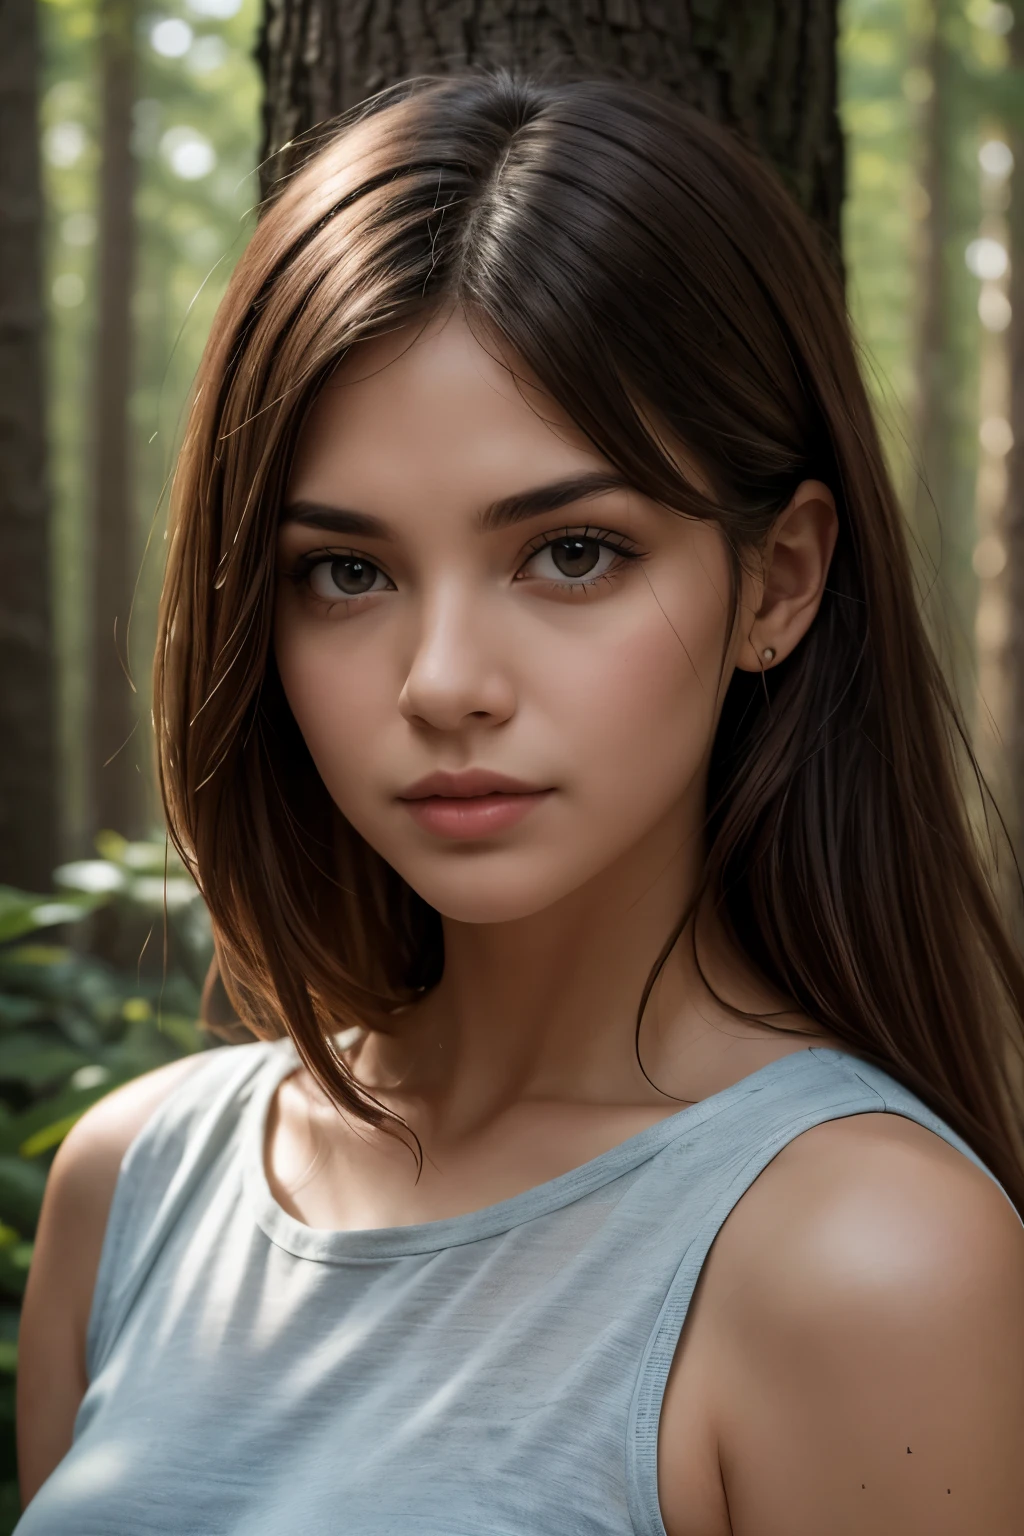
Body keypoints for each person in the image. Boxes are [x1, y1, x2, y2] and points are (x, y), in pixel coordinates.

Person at [15, 70, 1024, 1536]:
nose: (443, 683)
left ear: (780, 581)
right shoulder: (132, 1185)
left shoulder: (870, 1260)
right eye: (345, 572)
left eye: (570, 554)